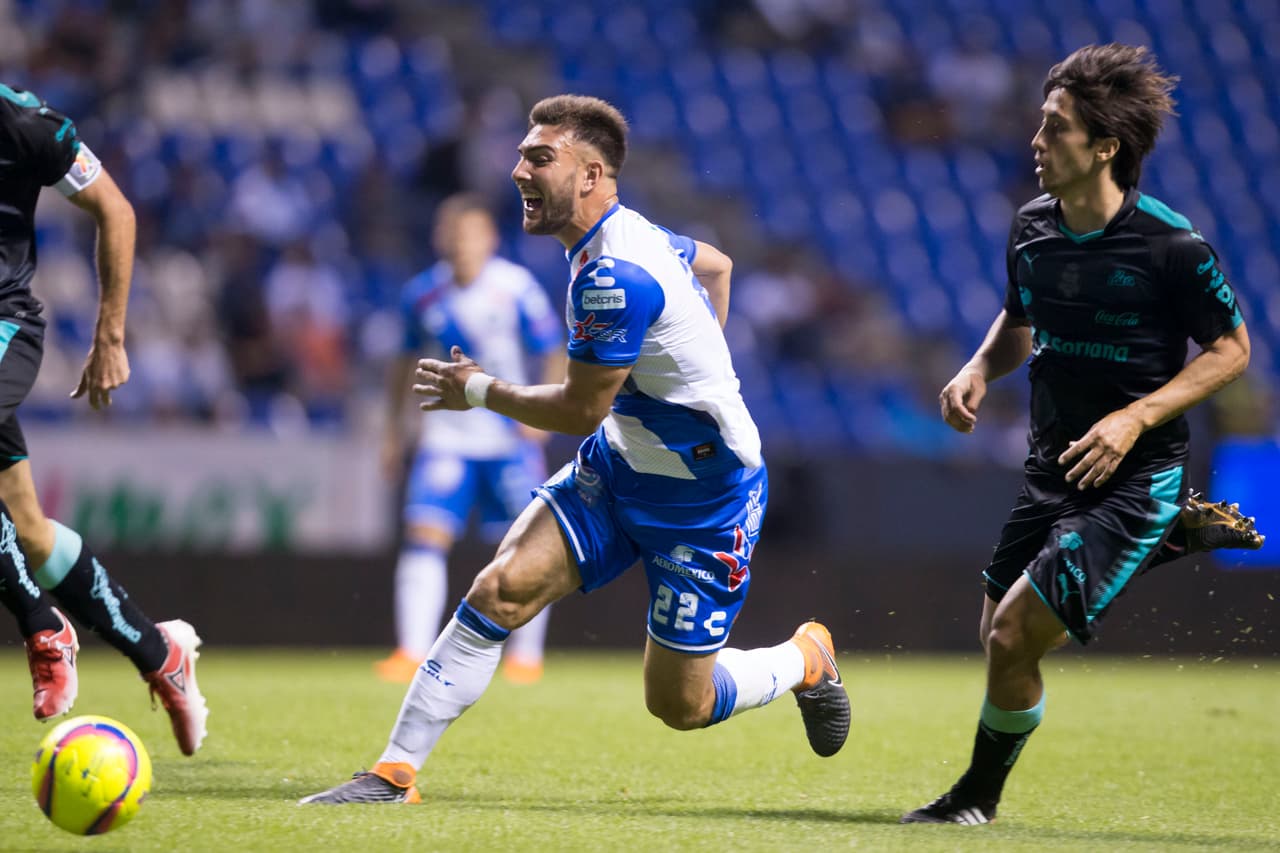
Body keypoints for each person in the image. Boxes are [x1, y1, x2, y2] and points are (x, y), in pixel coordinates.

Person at [302, 94, 851, 804]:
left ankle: (805, 657)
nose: (517, 170)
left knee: (681, 704)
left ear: (591, 174)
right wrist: (698, 354)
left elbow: (579, 407)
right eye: (522, 154)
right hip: (622, 465)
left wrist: (477, 389)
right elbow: (716, 265)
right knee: (497, 588)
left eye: (538, 157)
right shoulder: (627, 237)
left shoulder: (612, 277)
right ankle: (392, 772)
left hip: (704, 499)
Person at [902, 45, 1262, 825]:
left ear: (1105, 148)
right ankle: (1162, 543)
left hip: (1135, 468)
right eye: (1040, 123)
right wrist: (975, 368)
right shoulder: (1031, 226)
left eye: (1055, 127)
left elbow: (1234, 350)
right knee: (1001, 638)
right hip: (1053, 460)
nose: (1037, 140)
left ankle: (975, 798)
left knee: (1010, 634)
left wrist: (1136, 414)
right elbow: (1018, 320)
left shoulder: (1173, 245)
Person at [0, 83, 208, 755]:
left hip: (6, 325)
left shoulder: (28, 124)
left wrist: (110, 336)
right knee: (28, 532)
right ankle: (160, 653)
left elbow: (113, 208)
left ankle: (42, 624)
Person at [373, 193, 566, 685]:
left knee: (529, 545)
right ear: (441, 239)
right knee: (424, 535)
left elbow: (551, 350)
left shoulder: (515, 288)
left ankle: (525, 656)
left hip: (507, 437)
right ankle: (411, 650)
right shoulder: (422, 294)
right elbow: (402, 365)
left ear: (490, 239)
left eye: (471, 234)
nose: (462, 244)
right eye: (454, 235)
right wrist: (395, 430)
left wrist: (539, 413)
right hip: (447, 437)